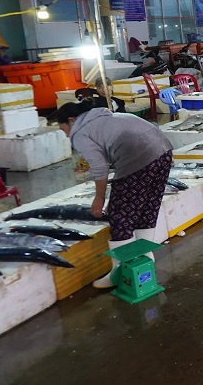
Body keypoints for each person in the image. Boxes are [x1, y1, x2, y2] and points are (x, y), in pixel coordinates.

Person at [56, 100, 172, 289]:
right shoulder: (104, 116)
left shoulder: (80, 133)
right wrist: (117, 196)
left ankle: (120, 273)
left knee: (119, 216)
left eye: (63, 129)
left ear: (71, 120)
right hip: (163, 150)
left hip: (139, 155)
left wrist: (100, 198)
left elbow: (99, 167)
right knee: (147, 207)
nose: (66, 134)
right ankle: (145, 260)